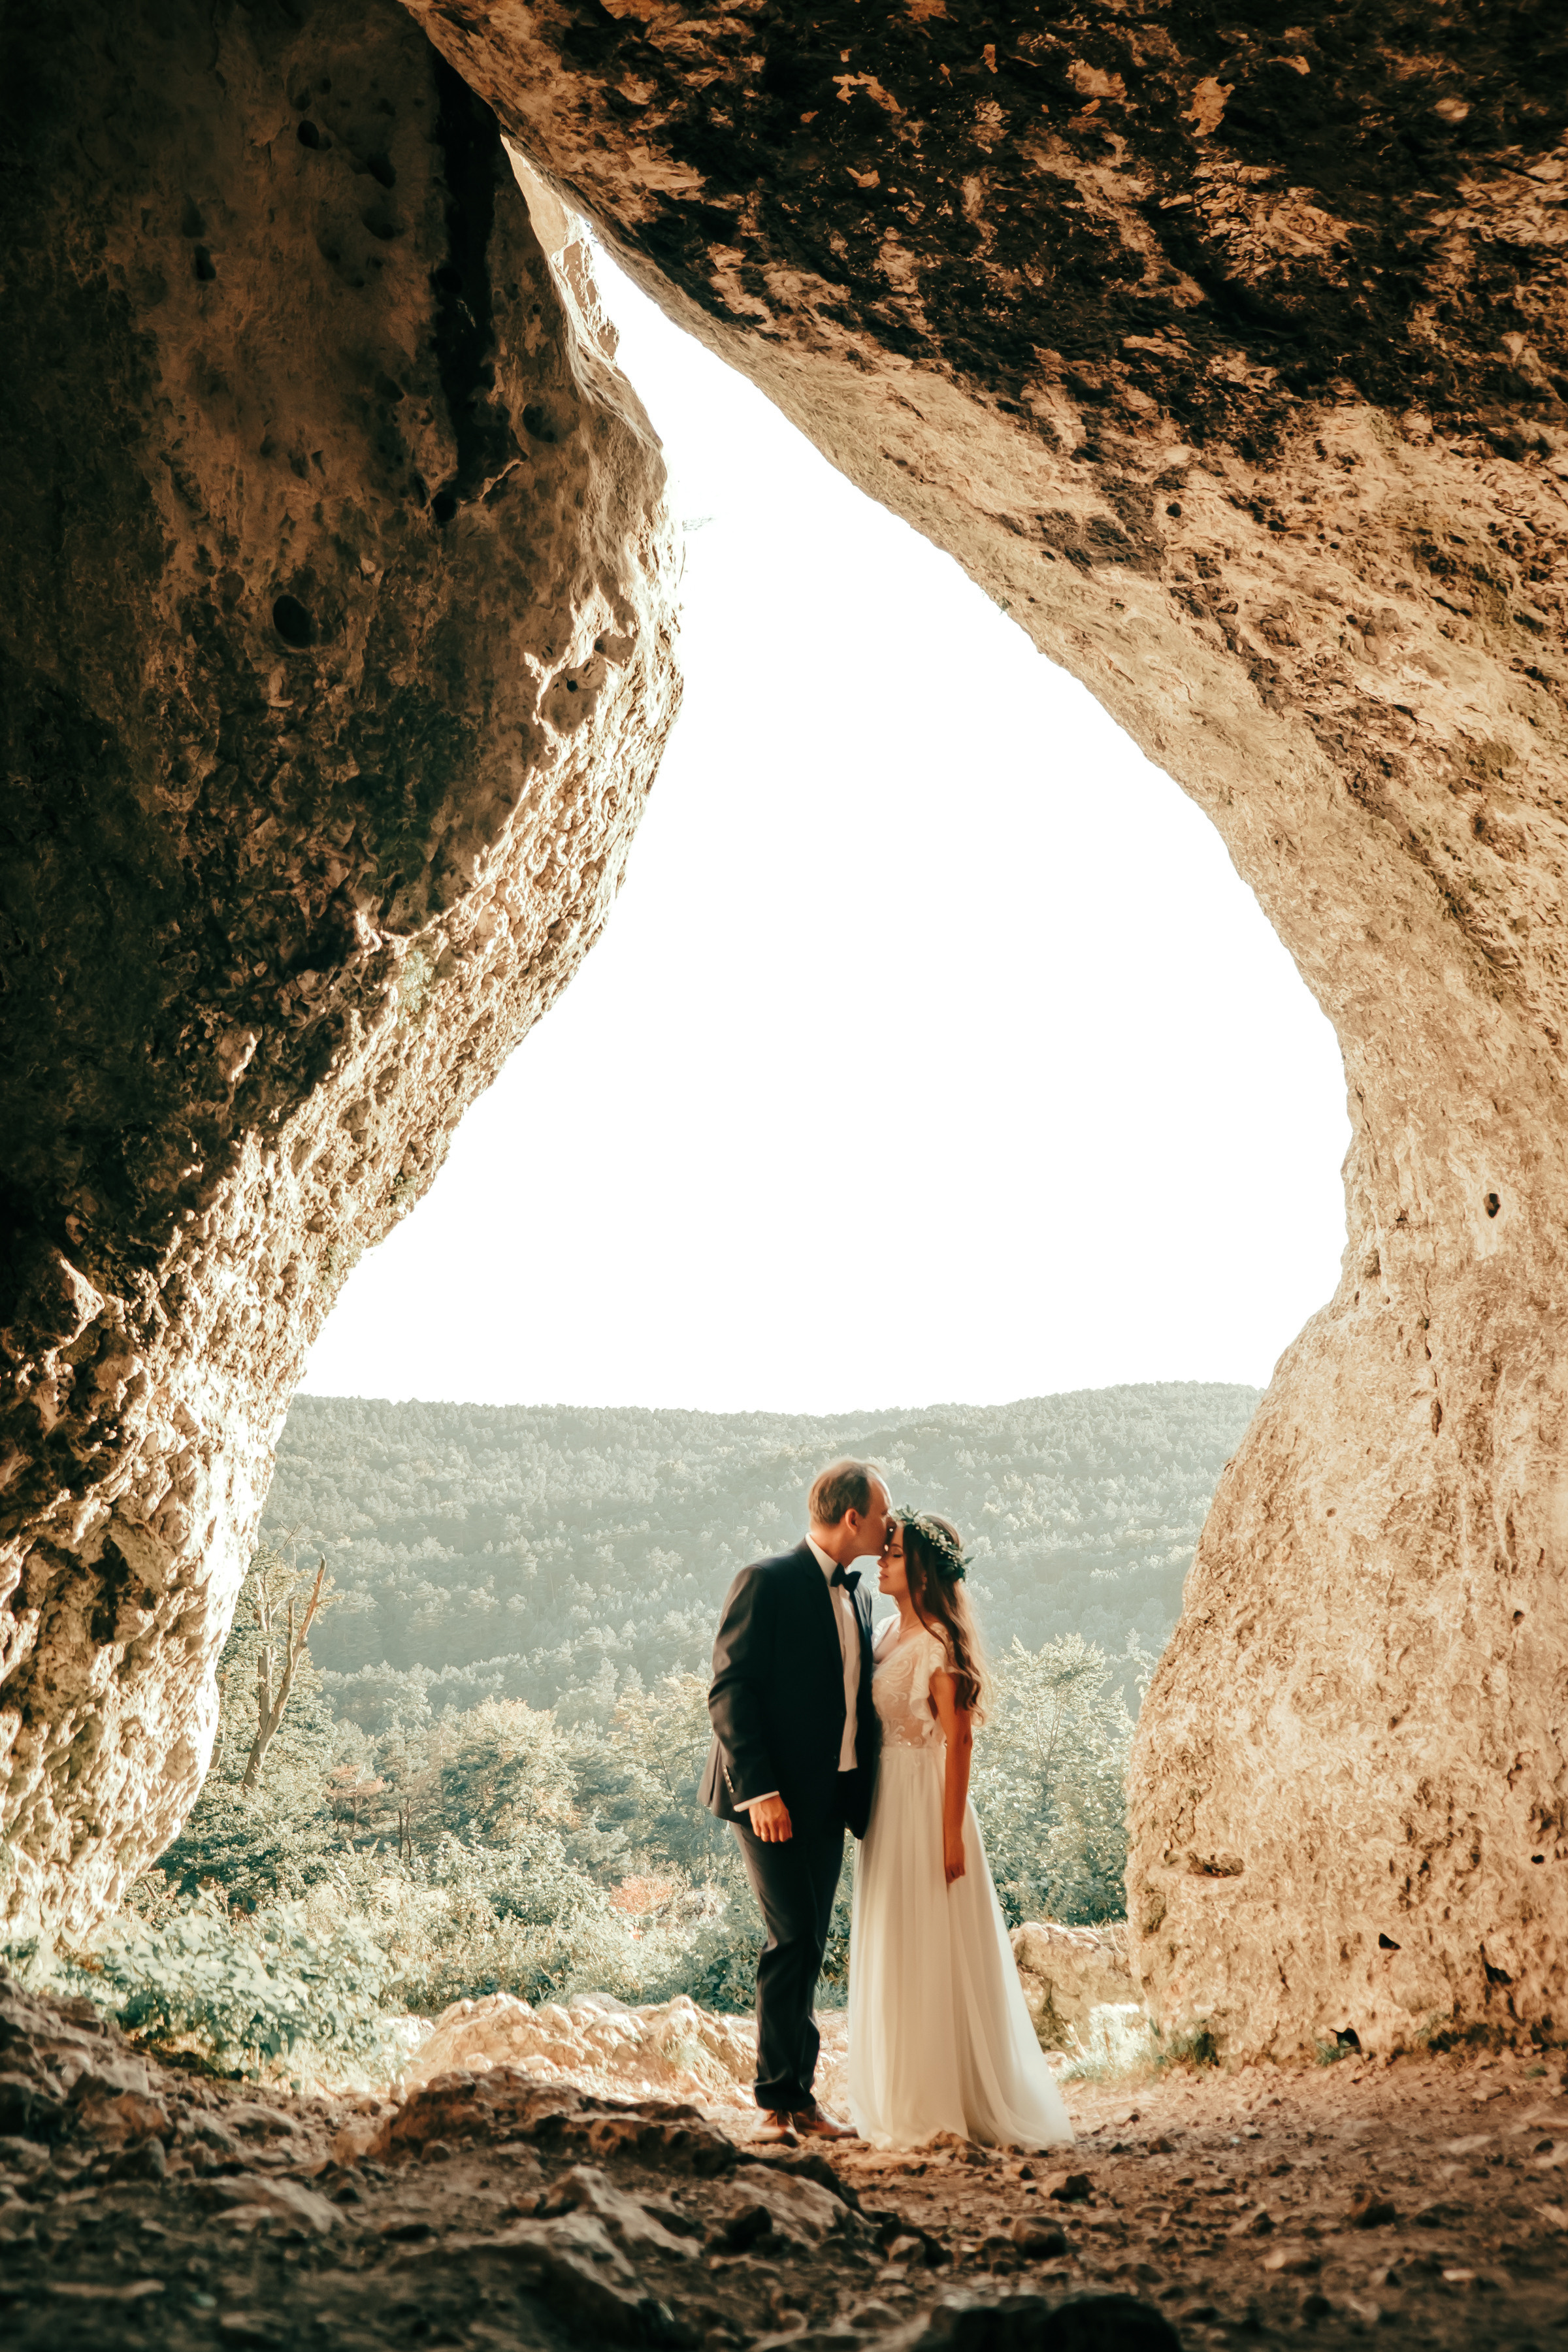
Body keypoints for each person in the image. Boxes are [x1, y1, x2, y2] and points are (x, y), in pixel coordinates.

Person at [847, 1509, 1075, 2149]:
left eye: (893, 1554)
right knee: (895, 1938)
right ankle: (898, 2094)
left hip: (926, 1801)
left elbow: (961, 1740)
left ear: (922, 1570)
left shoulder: (939, 1644)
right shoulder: (885, 1631)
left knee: (930, 1942)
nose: (881, 1561)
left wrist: (951, 1835)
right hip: (885, 1803)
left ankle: (942, 2100)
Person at [700, 1458, 889, 2138]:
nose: (890, 1525)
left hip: (831, 1797)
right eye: (883, 1514)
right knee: (793, 1937)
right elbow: (731, 1691)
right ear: (853, 1518)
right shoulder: (767, 1580)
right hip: (770, 1799)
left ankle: (796, 2100)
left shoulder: (861, 1598)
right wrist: (760, 1792)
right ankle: (781, 2103)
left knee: (809, 1941)